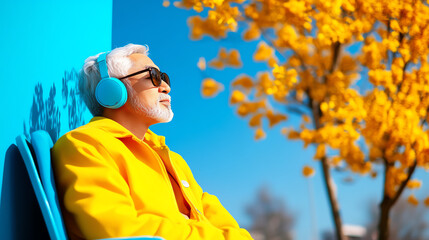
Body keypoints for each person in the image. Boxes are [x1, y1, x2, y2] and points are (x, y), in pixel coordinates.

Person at [52, 44, 253, 240]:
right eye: (153, 77)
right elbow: (119, 231)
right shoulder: (86, 145)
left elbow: (230, 227)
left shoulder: (173, 160)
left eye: (164, 78)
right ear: (112, 90)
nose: (166, 87)